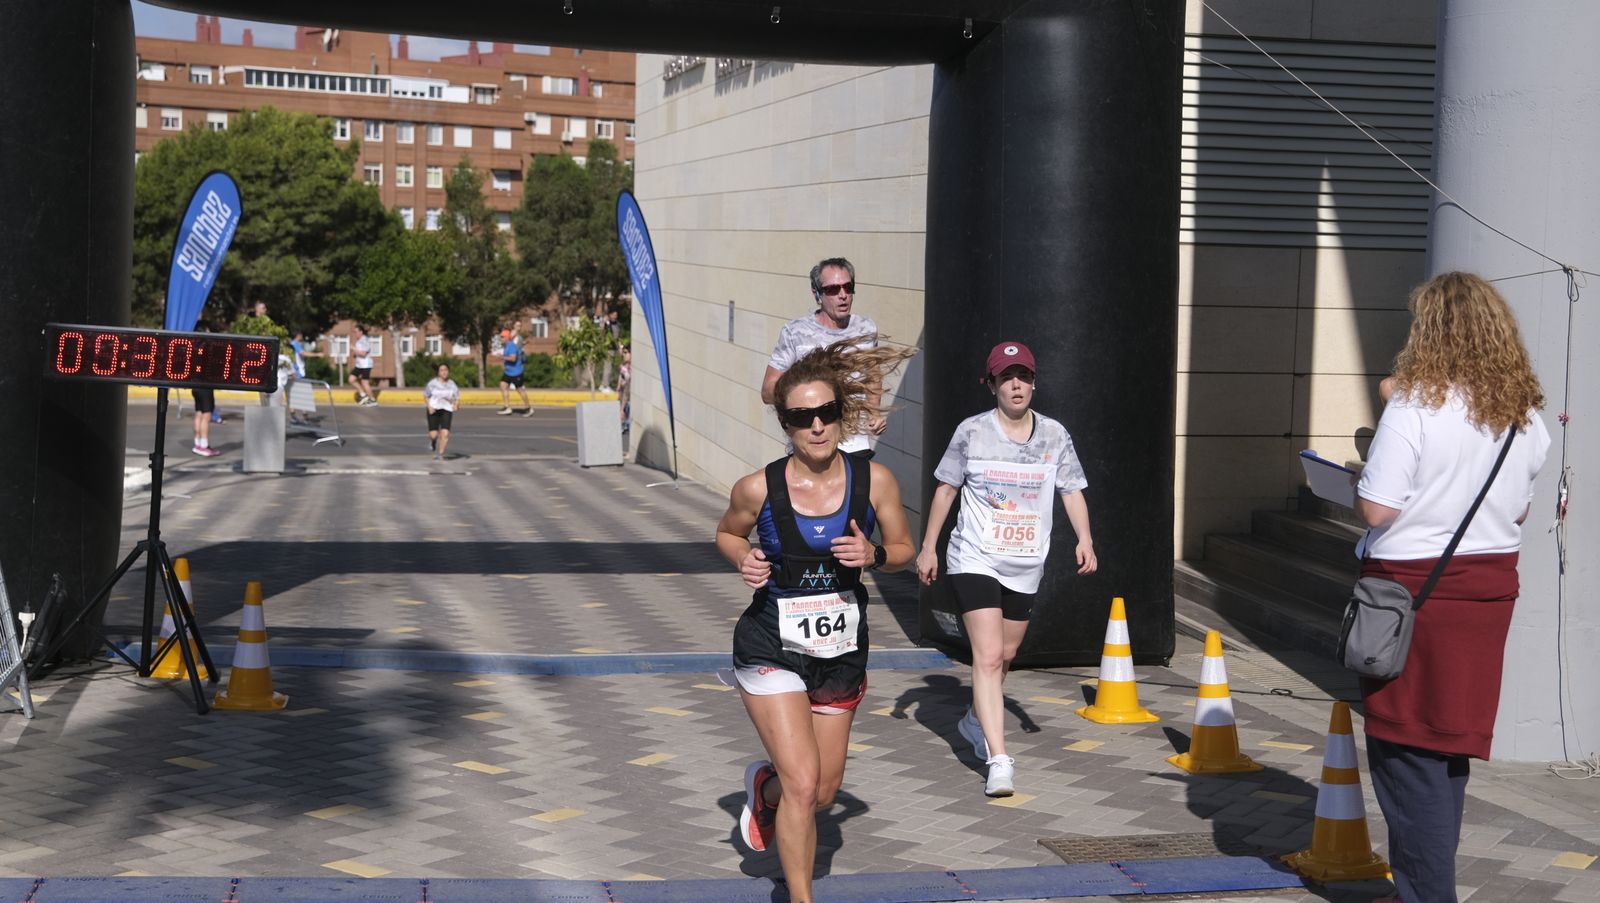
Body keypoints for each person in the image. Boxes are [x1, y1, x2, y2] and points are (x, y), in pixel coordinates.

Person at [1353, 272, 1549, 903]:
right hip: (1485, 592)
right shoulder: (1524, 414)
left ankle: (1426, 894)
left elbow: (1378, 510)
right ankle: (1421, 883)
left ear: (1429, 332)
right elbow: (1516, 513)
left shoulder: (1413, 406)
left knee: (1405, 750)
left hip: (1413, 594)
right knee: (1446, 750)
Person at [715, 340, 916, 903]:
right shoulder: (758, 487)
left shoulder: (874, 482)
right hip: (770, 645)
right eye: (803, 418)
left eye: (826, 412)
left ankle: (766, 786)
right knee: (805, 783)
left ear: (841, 414)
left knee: (823, 789)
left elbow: (903, 547)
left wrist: (875, 556)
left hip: (841, 650)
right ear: (786, 423)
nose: (818, 426)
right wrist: (743, 557)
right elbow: (727, 532)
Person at [915, 341, 1097, 797]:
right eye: (1006, 377)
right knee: (989, 656)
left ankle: (975, 719)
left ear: (1034, 383)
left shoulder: (1054, 435)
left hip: (1025, 560)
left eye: (1024, 376)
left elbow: (1071, 489)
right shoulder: (972, 432)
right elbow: (945, 490)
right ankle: (999, 758)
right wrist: (929, 547)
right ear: (992, 384)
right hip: (974, 556)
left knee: (1008, 656)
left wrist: (1085, 539)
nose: (1016, 385)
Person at [762, 257, 885, 457]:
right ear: (817, 293)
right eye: (833, 290)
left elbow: (872, 377)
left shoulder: (866, 328)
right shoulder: (796, 332)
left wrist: (875, 413)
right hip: (813, 444)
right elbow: (768, 392)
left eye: (848, 287)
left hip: (855, 444)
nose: (843, 295)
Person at [424, 362, 461, 461]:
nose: (444, 372)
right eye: (442, 370)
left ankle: (440, 455)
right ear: (438, 372)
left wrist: (457, 405)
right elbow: (426, 396)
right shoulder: (432, 384)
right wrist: (429, 407)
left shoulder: (452, 384)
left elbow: (457, 397)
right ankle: (433, 442)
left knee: (445, 434)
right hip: (434, 409)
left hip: (446, 409)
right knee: (434, 434)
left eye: (446, 370)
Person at [497, 323, 532, 416]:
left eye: (502, 337)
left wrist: (502, 357)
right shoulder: (507, 346)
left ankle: (528, 408)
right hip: (508, 372)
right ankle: (507, 407)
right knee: (503, 385)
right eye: (501, 337)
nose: (501, 339)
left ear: (507, 338)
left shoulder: (511, 346)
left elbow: (513, 359)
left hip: (516, 373)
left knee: (520, 390)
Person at [190, 388, 220, 456]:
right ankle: (204, 446)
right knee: (206, 415)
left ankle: (198, 444)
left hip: (195, 387)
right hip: (205, 388)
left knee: (199, 413)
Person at [351, 325, 376, 405]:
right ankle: (363, 395)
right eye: (354, 332)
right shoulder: (359, 341)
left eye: (356, 332)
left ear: (361, 332)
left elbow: (364, 353)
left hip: (366, 365)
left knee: (364, 382)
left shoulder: (365, 340)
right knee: (351, 379)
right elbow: (359, 353)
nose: (355, 334)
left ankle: (372, 400)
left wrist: (353, 349)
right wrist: (355, 354)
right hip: (359, 365)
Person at [616, 345, 632, 432]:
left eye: (626, 353)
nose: (623, 355)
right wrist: (619, 385)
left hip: (629, 401)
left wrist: (621, 408)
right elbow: (621, 377)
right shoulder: (623, 366)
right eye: (623, 353)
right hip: (624, 399)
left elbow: (627, 388)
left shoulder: (632, 368)